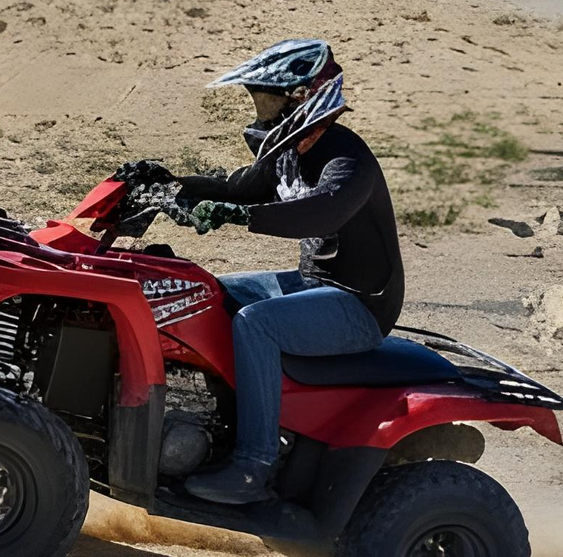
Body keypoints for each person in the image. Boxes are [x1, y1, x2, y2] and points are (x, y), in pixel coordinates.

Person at [119, 39, 403, 505]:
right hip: (310, 284)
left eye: (266, 98)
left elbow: (323, 213)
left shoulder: (347, 157)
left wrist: (238, 217)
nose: (259, 109)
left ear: (301, 98)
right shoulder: (290, 152)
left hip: (359, 306)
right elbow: (240, 186)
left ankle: (252, 465)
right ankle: (205, 422)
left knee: (255, 325)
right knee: (200, 295)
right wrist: (168, 182)